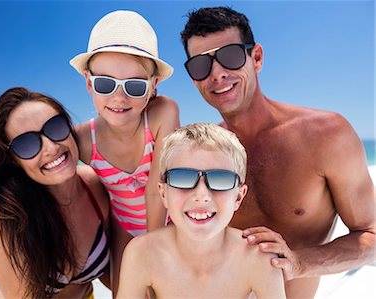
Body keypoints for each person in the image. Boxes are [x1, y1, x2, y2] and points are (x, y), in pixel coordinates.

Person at [180, 6, 375, 299]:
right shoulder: (203, 153)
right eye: (200, 65)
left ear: (256, 58)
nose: (217, 74)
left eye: (230, 56)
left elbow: (371, 238)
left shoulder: (326, 135)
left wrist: (298, 263)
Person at [69, 10, 179, 294]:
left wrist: (153, 249)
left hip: (169, 224)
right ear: (88, 82)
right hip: (122, 230)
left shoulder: (162, 113)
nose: (119, 97)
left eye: (134, 86)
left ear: (153, 86)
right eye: (105, 84)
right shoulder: (82, 139)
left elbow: (158, 189)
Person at [116, 123, 286, 298]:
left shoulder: (259, 258)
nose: (201, 194)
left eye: (220, 179)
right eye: (183, 178)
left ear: (238, 197)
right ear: (163, 193)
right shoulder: (143, 253)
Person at [0, 87, 110, 299]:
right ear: (13, 159)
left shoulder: (95, 186)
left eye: (55, 127)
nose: (50, 147)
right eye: (27, 143)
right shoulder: (5, 214)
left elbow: (112, 274)